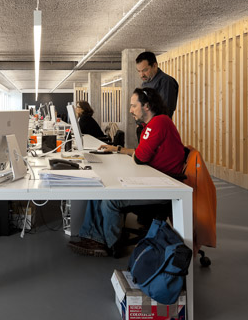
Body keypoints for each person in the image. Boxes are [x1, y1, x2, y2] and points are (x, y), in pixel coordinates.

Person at [68, 87, 185, 258]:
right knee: (100, 186)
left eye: (133, 105)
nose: (130, 110)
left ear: (146, 106)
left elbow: (140, 157)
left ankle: (110, 244)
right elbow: (140, 153)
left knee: (111, 197)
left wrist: (134, 153)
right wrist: (118, 149)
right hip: (154, 177)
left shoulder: (158, 123)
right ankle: (94, 237)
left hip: (163, 185)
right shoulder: (153, 124)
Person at [136, 51, 179, 119]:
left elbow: (165, 111)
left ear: (154, 66)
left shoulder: (166, 82)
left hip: (158, 123)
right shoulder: (145, 83)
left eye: (145, 70)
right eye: (139, 71)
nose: (141, 75)